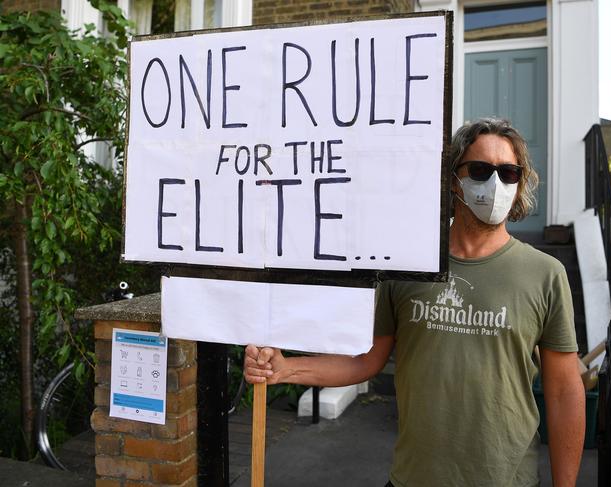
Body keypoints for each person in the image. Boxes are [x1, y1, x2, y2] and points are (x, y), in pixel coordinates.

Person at [244, 118, 585, 487]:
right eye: (481, 169)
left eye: (508, 172)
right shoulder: (408, 268)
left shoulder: (545, 274)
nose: (495, 183)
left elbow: (565, 392)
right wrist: (284, 369)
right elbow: (366, 359)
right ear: (452, 178)